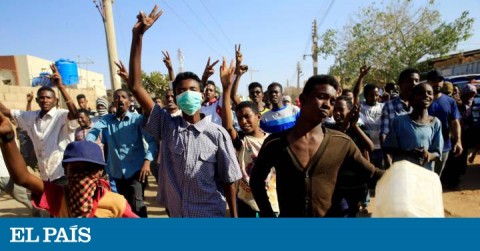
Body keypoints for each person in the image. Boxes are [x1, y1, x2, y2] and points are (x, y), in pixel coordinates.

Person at [127, 6, 241, 217]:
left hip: (209, 216)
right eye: (181, 90)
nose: (187, 94)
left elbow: (230, 180)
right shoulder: (166, 125)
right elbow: (135, 86)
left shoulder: (217, 134)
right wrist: (137, 37)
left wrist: (233, 218)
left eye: (193, 89)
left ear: (201, 94)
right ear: (176, 97)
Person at [250, 74, 383, 217]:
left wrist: (405, 175)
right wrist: (268, 215)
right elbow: (256, 181)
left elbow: (372, 173)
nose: (327, 104)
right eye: (321, 97)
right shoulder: (275, 143)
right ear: (303, 99)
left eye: (332, 101)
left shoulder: (341, 142)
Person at [0, 113, 138, 218]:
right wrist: (8, 138)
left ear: (100, 172)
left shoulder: (116, 202)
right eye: (76, 169)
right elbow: (23, 178)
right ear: (66, 171)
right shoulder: (58, 196)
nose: (82, 177)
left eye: (89, 170)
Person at [0, 64, 78, 185]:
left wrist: (61, 87)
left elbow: (74, 114)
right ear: (37, 100)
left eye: (48, 98)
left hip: (63, 174)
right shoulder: (31, 117)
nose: (45, 100)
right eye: (41, 98)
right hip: (45, 176)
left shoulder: (61, 116)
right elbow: (6, 112)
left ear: (55, 101)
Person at [220, 58, 278, 217]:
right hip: (246, 204)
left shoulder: (273, 141)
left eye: (247, 117)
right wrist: (226, 89)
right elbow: (227, 126)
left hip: (271, 203)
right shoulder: (241, 141)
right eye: (239, 118)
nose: (243, 121)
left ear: (258, 117)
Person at [86, 89, 157, 218]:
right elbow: (93, 132)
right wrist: (87, 144)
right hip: (116, 172)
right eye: (117, 97)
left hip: (136, 172)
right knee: (123, 206)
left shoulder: (138, 120)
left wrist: (147, 162)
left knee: (137, 205)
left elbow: (152, 142)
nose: (120, 99)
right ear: (113, 101)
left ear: (129, 102)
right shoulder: (107, 120)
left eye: (123, 97)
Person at [327, 95, 374, 217]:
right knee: (343, 211)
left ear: (349, 111)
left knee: (352, 211)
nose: (337, 113)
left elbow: (370, 147)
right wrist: (346, 123)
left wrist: (354, 126)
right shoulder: (330, 129)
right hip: (338, 183)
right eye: (335, 109)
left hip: (357, 183)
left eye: (341, 110)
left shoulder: (359, 129)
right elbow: (335, 144)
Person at [383, 83, 443, 171]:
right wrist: (409, 153)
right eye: (421, 93)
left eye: (429, 93)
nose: (426, 95)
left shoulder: (435, 122)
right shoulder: (399, 121)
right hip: (403, 173)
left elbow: (437, 153)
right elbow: (388, 148)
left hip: (424, 174)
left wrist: (429, 155)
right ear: (412, 98)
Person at [380, 68, 420, 167]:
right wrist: (388, 159)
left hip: (420, 159)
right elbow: (384, 134)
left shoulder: (423, 105)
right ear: (400, 84)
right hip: (398, 160)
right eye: (409, 80)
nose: (414, 83)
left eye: (416, 81)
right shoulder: (389, 106)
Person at [426, 70, 462, 176]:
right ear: (428, 82)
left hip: (444, 146)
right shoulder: (421, 100)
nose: (437, 83)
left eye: (440, 80)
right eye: (434, 80)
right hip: (423, 147)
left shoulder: (450, 102)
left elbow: (455, 122)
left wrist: (458, 141)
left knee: (436, 177)